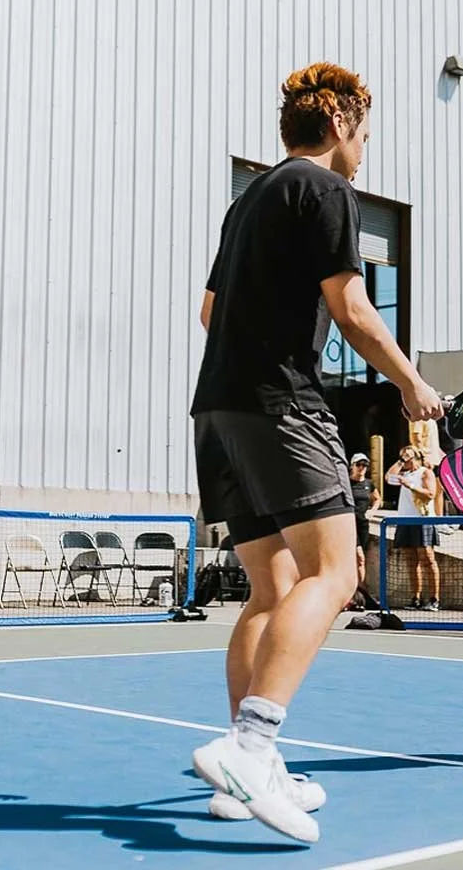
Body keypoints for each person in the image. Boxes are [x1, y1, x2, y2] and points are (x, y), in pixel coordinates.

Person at [190, 61, 443, 842]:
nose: (364, 152)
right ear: (339, 125)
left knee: (271, 591)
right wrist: (412, 385)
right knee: (339, 573)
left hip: (218, 408)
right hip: (278, 404)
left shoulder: (248, 203)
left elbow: (209, 313)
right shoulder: (328, 190)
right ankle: (249, 745)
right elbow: (353, 305)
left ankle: (249, 773)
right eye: (364, 136)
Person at [385, 445, 441, 610]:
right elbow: (388, 477)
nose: (403, 462)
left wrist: (410, 486)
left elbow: (431, 493)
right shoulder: (404, 474)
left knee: (427, 558)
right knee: (411, 560)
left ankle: (434, 598)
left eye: (406, 458)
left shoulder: (425, 472)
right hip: (405, 519)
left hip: (421, 519)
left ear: (414, 458)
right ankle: (415, 598)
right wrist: (401, 461)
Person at [349, 452, 381, 595]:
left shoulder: (369, 484)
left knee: (361, 560)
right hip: (349, 524)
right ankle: (358, 591)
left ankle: (360, 593)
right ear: (352, 466)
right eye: (359, 465)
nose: (361, 468)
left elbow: (377, 499)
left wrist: (372, 511)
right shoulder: (347, 483)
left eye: (364, 465)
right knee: (359, 556)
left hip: (363, 524)